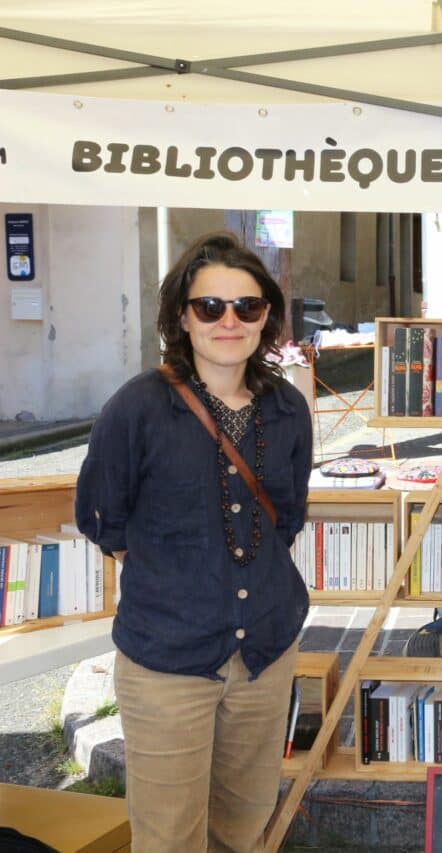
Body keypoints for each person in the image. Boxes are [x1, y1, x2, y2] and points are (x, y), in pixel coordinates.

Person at [75, 232, 313, 852]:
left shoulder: (287, 408)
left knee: (243, 825)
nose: (229, 321)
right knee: (169, 835)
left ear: (267, 315)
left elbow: (286, 517)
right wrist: (181, 575)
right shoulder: (137, 409)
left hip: (265, 649)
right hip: (168, 658)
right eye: (211, 307)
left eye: (247, 306)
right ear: (183, 315)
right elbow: (103, 518)